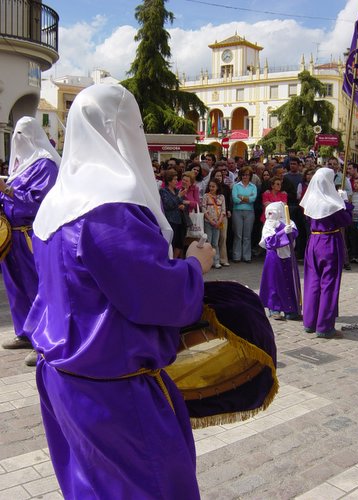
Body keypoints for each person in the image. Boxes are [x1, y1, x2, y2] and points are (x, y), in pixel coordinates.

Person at [25, 84, 214, 499]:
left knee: (89, 485)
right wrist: (195, 267)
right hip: (112, 386)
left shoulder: (56, 203)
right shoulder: (110, 207)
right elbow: (156, 295)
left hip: (61, 375)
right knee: (155, 486)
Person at [0, 116, 60, 366]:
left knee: (37, 287)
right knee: (16, 288)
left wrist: (8, 191)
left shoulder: (45, 164)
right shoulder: (20, 166)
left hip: (31, 236)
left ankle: (44, 340)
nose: (18, 139)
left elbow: (39, 201)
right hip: (11, 237)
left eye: (23, 134)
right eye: (16, 134)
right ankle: (25, 332)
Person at [300, 167, 353, 339]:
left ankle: (310, 322)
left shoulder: (310, 199)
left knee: (312, 282)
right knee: (328, 283)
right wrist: (345, 203)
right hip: (329, 241)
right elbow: (346, 220)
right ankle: (324, 326)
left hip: (313, 241)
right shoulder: (332, 204)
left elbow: (308, 218)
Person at [259, 201, 300, 321]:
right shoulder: (269, 224)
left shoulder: (289, 221)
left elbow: (294, 234)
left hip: (288, 256)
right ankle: (274, 308)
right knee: (274, 281)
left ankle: (290, 308)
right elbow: (269, 241)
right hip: (274, 257)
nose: (270, 215)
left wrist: (285, 228)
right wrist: (282, 230)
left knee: (289, 281)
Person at [159, 169, 188, 258]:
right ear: (169, 181)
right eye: (175, 179)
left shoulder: (176, 190)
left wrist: (182, 205)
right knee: (171, 242)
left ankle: (174, 260)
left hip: (180, 219)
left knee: (179, 243)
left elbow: (180, 202)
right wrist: (179, 197)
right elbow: (168, 205)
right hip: (171, 220)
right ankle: (169, 260)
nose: (177, 181)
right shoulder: (164, 191)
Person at [231, 166, 257, 263]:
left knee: (247, 235)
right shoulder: (236, 186)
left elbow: (253, 199)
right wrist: (247, 198)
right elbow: (235, 199)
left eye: (247, 175)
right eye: (243, 175)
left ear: (250, 176)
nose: (245, 176)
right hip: (237, 211)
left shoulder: (253, 186)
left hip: (250, 212)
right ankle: (236, 256)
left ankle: (247, 256)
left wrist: (241, 197)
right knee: (238, 234)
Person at [202, 178, 226, 269]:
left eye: (213, 186)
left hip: (218, 222)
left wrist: (219, 220)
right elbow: (203, 209)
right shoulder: (206, 196)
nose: (211, 188)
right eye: (210, 186)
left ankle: (216, 261)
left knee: (215, 242)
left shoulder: (221, 197)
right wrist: (210, 220)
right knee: (208, 242)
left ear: (217, 187)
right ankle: (208, 261)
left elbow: (223, 210)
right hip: (208, 222)